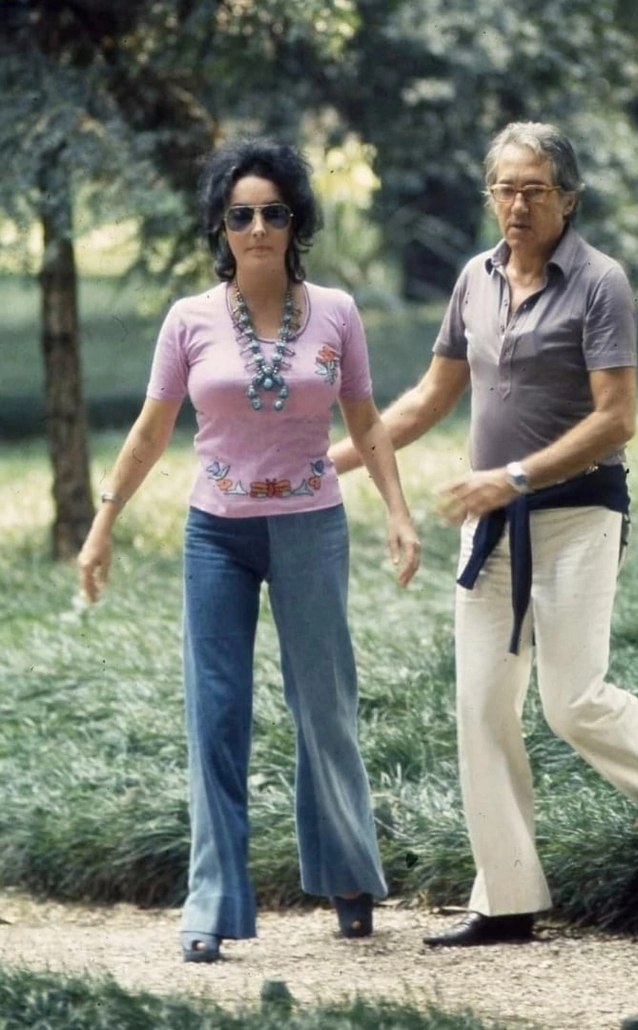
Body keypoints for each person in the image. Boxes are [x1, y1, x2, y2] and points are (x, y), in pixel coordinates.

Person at [329, 121, 638, 948]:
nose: (516, 205)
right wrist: (329, 460)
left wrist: (511, 476)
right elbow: (430, 397)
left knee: (571, 701)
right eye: (505, 189)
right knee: (481, 706)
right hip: (492, 526)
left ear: (568, 200)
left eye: (534, 191)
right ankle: (506, 899)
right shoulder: (474, 281)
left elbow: (616, 418)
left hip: (580, 514)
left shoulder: (600, 283)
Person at [77, 135, 420, 962]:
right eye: (240, 215)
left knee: (325, 707)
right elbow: (151, 430)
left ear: (296, 221)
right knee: (216, 713)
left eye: (272, 212)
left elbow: (365, 420)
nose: (257, 228)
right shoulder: (189, 320)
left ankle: (347, 876)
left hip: (311, 526)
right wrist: (103, 522)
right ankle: (213, 902)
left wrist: (398, 512)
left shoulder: (336, 312)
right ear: (220, 227)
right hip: (216, 535)